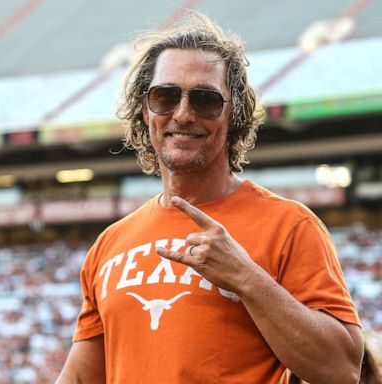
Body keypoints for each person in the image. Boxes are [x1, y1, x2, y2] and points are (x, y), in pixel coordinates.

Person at [56, 12, 364, 384]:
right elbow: (79, 378)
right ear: (145, 110)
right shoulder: (109, 243)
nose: (183, 114)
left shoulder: (290, 226)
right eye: (165, 96)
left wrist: (246, 277)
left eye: (204, 100)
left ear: (233, 115)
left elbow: (342, 370)